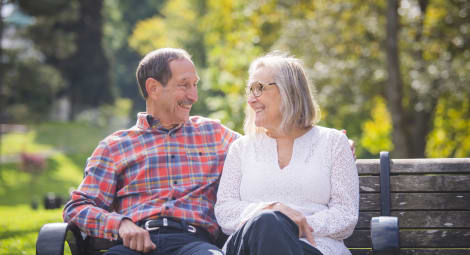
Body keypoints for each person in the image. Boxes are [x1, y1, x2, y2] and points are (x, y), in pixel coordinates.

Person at [63, 48, 239, 255]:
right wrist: (120, 224)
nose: (194, 96)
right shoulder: (114, 146)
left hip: (195, 244)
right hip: (132, 247)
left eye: (195, 85)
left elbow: (260, 150)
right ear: (153, 88)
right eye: (184, 85)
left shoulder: (215, 134)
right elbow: (76, 207)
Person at [214, 53, 359, 255]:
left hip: (312, 248)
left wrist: (296, 224)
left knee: (272, 223)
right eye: (250, 90)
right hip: (249, 247)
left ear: (289, 91)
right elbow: (224, 212)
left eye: (259, 88)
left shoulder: (333, 143)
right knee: (267, 221)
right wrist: (273, 210)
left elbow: (345, 216)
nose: (250, 99)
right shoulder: (241, 148)